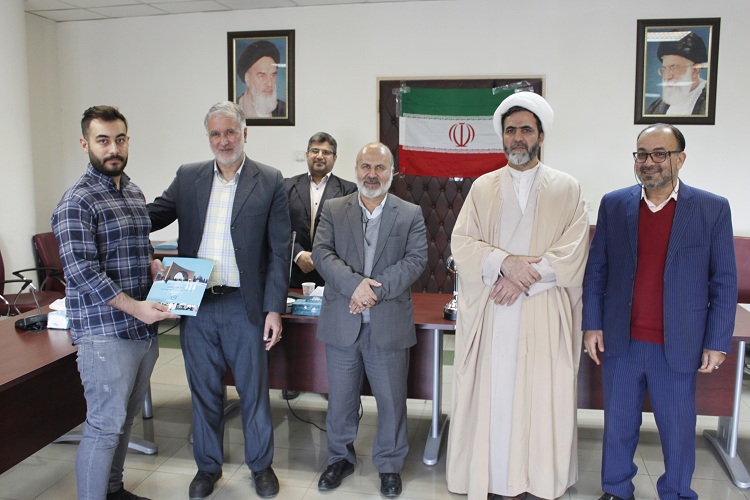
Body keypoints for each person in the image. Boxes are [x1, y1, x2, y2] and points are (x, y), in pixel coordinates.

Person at [446, 92, 590, 500]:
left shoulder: (567, 187)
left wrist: (523, 276)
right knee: (496, 394)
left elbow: (574, 250)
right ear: (502, 137)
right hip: (495, 310)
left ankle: (538, 479)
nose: (517, 138)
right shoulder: (483, 187)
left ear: (540, 136)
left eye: (526, 129)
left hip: (543, 309)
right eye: (510, 131)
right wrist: (503, 263)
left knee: (540, 394)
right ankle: (492, 478)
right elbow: (463, 243)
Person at [582, 123, 737, 500]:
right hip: (622, 340)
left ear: (680, 159)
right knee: (618, 423)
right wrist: (592, 324)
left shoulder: (711, 208)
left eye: (659, 154)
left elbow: (724, 280)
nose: (648, 162)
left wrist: (717, 340)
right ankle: (616, 489)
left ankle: (677, 492)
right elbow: (597, 269)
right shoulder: (615, 204)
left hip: (678, 342)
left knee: (677, 428)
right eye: (642, 154)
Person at [148, 102, 291, 499]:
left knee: (253, 392)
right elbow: (150, 217)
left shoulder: (269, 180)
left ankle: (260, 466)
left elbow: (280, 250)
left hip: (245, 304)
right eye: (215, 134)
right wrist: (116, 214)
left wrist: (274, 308)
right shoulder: (188, 176)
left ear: (245, 133)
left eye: (230, 132)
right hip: (195, 301)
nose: (223, 141)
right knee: (204, 391)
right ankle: (207, 468)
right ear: (208, 137)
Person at [52, 105, 178, 500]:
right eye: (103, 140)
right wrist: (137, 307)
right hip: (105, 335)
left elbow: (139, 247)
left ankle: (113, 489)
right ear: (85, 144)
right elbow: (82, 272)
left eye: (119, 139)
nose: (113, 149)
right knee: (104, 426)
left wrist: (153, 266)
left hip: (141, 329)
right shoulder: (76, 202)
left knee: (124, 421)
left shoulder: (134, 192)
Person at [313, 142, 427, 498]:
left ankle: (389, 466)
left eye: (380, 167)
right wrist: (355, 286)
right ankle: (339, 459)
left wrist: (373, 292)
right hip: (342, 322)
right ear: (356, 169)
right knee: (340, 401)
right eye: (366, 166)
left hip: (388, 323)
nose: (372, 174)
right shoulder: (334, 209)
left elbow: (416, 260)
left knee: (392, 402)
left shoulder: (410, 213)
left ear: (392, 172)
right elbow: (322, 253)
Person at [286, 132, 357, 289]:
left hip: (331, 276)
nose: (320, 156)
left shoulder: (349, 190)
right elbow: (278, 227)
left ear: (335, 158)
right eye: (315, 151)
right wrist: (297, 254)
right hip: (293, 272)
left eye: (326, 152)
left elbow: (348, 235)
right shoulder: (287, 186)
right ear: (307, 154)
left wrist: (321, 258)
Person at [645, 31, 708, 116]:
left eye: (674, 68)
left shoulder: (710, 101)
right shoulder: (656, 107)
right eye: (664, 69)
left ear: (695, 70)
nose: (667, 77)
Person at [236, 40, 287, 118]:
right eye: (262, 76)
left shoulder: (284, 109)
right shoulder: (234, 109)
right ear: (247, 78)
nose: (269, 84)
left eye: (272, 75)